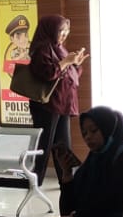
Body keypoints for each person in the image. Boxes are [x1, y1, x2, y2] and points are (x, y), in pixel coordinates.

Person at [51, 107, 123, 217]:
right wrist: (67, 174)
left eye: (93, 130)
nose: (88, 137)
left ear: (107, 128)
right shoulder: (94, 159)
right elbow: (67, 210)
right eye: (84, 133)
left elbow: (113, 200)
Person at [26, 14, 87, 184]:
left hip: (62, 103)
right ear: (51, 30)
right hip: (47, 105)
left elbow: (70, 76)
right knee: (44, 146)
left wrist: (75, 63)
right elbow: (48, 73)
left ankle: (67, 181)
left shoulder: (58, 48)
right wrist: (66, 61)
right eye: (61, 31)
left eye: (67, 31)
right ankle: (35, 182)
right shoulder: (42, 49)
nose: (64, 35)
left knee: (63, 146)